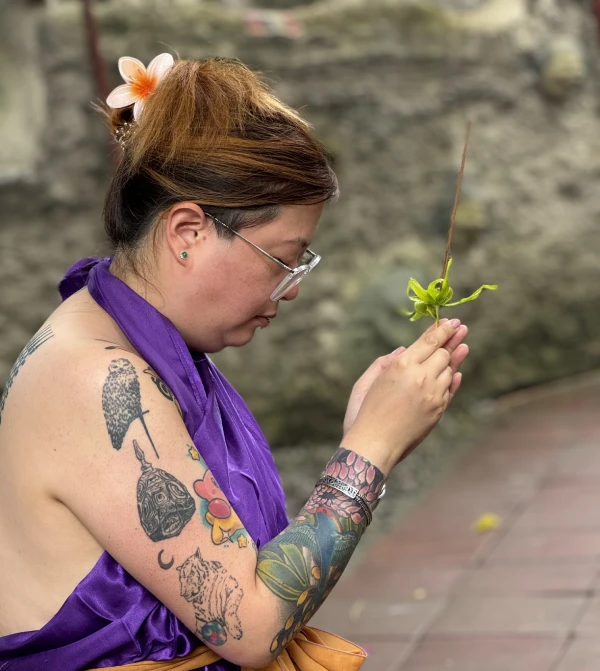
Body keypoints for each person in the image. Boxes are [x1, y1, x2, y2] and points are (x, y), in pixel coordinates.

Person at [0, 53, 469, 670]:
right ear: (187, 232)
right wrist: (371, 447)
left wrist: (368, 429)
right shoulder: (99, 377)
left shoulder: (135, 337)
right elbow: (246, 627)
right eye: (283, 258)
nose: (292, 286)